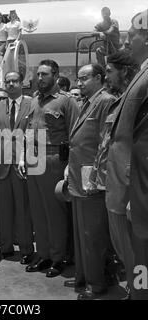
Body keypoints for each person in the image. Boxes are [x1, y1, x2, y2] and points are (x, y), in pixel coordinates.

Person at [87, 51, 138, 299]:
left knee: (135, 251)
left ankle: (139, 291)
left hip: (128, 188)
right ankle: (133, 288)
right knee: (122, 249)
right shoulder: (120, 100)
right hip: (113, 186)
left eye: (109, 71)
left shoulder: (137, 99)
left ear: (125, 71)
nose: (106, 75)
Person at [22, 60, 79, 276]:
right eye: (38, 74)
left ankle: (58, 257)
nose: (40, 78)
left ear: (55, 75)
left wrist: (69, 167)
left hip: (55, 158)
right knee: (37, 210)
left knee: (54, 212)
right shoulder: (35, 100)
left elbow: (75, 135)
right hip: (33, 157)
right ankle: (43, 254)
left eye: (44, 74)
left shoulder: (66, 101)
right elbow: (29, 129)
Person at [106, 9, 148, 300]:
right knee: (133, 256)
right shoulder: (143, 72)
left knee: (140, 256)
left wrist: (138, 193)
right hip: (126, 185)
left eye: (129, 37)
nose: (126, 43)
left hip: (137, 189)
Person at [66, 63, 116, 300]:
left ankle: (96, 284)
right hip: (79, 178)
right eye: (78, 79)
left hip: (91, 180)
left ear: (98, 78)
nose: (79, 83)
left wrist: (96, 178)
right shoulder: (87, 102)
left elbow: (105, 143)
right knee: (82, 233)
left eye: (84, 79)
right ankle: (85, 275)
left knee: (92, 235)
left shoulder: (105, 101)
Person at [0, 71, 34, 264]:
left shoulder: (32, 104)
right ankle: (6, 247)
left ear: (21, 83)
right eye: (8, 81)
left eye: (15, 81)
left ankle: (26, 248)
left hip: (23, 164)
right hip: (2, 165)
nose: (11, 84)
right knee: (4, 208)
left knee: (23, 209)